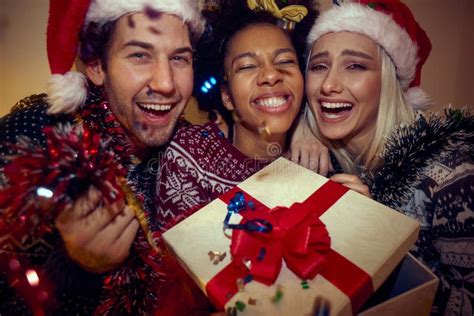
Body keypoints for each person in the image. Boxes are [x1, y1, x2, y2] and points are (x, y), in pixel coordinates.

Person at [0, 0, 210, 314]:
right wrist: (76, 269)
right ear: (97, 65)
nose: (166, 84)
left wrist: (306, 126)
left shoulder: (188, 144)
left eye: (179, 58)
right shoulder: (30, 139)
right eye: (140, 55)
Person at [303, 0, 473, 314]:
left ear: (388, 81)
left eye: (355, 65)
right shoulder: (326, 164)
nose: (328, 84)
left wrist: (379, 240)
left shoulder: (450, 174)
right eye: (318, 66)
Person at [155, 0, 319, 230]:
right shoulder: (192, 156)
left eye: (285, 61)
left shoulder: (318, 152)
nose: (271, 75)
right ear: (227, 97)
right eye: (247, 66)